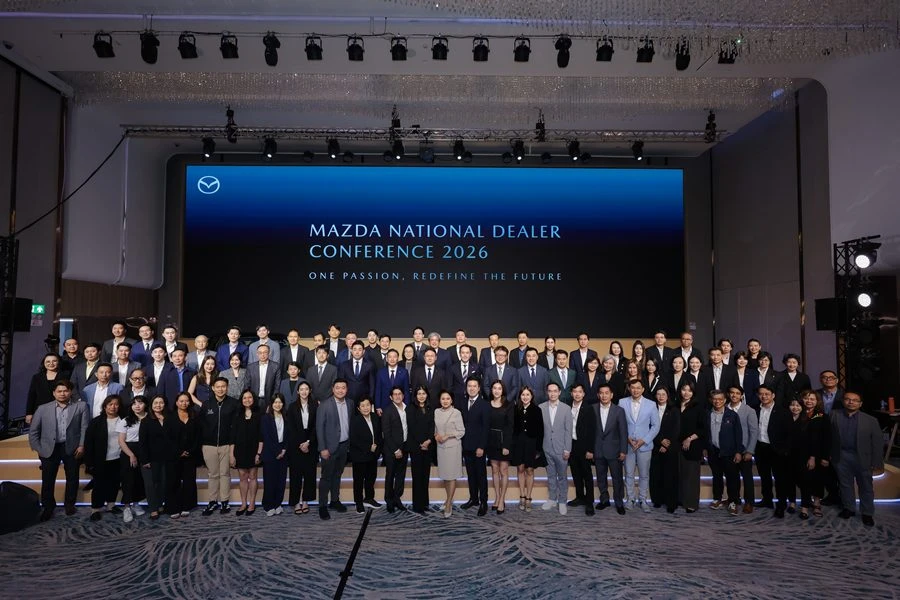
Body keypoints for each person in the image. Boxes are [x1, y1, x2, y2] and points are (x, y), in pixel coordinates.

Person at [28, 380, 89, 521]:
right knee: (48, 480)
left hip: (72, 447)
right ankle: (48, 507)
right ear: (54, 393)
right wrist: (39, 449)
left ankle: (69, 505)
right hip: (49, 448)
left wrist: (81, 445)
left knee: (72, 478)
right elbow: (33, 431)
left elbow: (84, 428)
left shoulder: (81, 406)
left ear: (70, 392)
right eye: (59, 391)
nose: (62, 394)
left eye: (65, 391)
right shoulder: (43, 408)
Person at [831, 391, 881, 526]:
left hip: (862, 457)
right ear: (843, 401)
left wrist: (877, 462)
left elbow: (877, 442)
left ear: (860, 404)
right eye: (848, 399)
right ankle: (849, 508)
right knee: (845, 484)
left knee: (866, 486)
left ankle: (867, 513)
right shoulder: (834, 415)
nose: (851, 402)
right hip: (841, 456)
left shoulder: (871, 420)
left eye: (855, 400)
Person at [199, 377, 240, 516]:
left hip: (226, 445)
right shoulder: (206, 404)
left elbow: (235, 427)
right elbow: (201, 425)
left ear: (227, 388)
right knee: (213, 474)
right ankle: (212, 501)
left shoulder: (234, 404)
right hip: (209, 445)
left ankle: (225, 501)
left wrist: (232, 446)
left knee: (225, 474)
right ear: (213, 388)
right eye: (218, 386)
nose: (220, 389)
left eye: (223, 386)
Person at [619, 379, 660, 512]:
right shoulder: (622, 402)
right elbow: (619, 423)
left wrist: (644, 440)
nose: (635, 390)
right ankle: (630, 499)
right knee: (629, 473)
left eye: (638, 388)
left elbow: (656, 426)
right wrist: (627, 438)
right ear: (629, 389)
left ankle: (643, 499)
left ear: (643, 389)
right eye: (633, 387)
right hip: (628, 445)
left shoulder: (651, 404)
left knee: (644, 474)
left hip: (645, 446)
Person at [316, 379, 354, 519]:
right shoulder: (324, 405)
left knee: (337, 475)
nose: (340, 390)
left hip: (344, 446)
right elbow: (319, 428)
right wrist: (323, 448)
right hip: (329, 448)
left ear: (347, 389)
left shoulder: (350, 403)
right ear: (333, 389)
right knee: (326, 477)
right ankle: (322, 506)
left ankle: (334, 501)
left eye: (343, 388)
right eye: (337, 387)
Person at [754, 384, 793, 517]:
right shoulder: (755, 409)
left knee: (780, 478)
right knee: (764, 477)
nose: (764, 396)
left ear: (773, 395)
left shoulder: (783, 411)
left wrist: (785, 451)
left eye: (767, 394)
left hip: (777, 450)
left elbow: (789, 434)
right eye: (761, 394)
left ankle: (781, 504)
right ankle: (767, 500)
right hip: (760, 448)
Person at [138, 395, 179, 519]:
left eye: (161, 402)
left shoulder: (170, 419)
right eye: (155, 403)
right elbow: (142, 442)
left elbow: (175, 438)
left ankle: (160, 505)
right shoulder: (146, 421)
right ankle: (153, 509)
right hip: (150, 458)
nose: (158, 405)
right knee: (151, 485)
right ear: (151, 405)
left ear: (165, 404)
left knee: (163, 483)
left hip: (167, 458)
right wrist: (145, 460)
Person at [705, 390, 744, 516]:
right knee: (716, 476)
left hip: (729, 452)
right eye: (715, 399)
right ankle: (717, 498)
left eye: (720, 399)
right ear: (711, 400)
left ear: (725, 400)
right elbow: (705, 433)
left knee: (732, 477)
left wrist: (738, 452)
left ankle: (733, 501)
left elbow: (738, 435)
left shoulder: (732, 415)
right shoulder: (707, 414)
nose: (717, 401)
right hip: (713, 451)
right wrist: (705, 448)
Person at [84, 395, 122, 521]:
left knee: (114, 483)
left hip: (118, 458)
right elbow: (89, 442)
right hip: (101, 459)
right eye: (110, 404)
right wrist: (89, 461)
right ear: (105, 406)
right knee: (99, 485)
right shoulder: (96, 422)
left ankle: (111, 505)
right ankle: (95, 509)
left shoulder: (123, 420)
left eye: (116, 404)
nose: (113, 407)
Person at [790, 391, 828, 520]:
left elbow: (827, 437)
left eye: (812, 399)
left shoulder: (822, 416)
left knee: (817, 479)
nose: (809, 401)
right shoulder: (799, 414)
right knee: (804, 480)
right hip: (801, 454)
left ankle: (816, 504)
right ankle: (805, 503)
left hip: (818, 454)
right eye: (806, 398)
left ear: (817, 401)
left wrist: (824, 457)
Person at [592, 383, 628, 515]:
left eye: (606, 393)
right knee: (601, 478)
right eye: (601, 393)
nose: (604, 396)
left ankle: (619, 502)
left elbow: (623, 432)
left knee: (617, 478)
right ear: (598, 395)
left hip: (615, 451)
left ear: (611, 395)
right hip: (598, 450)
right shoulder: (592, 409)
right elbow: (590, 431)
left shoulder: (619, 411)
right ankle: (604, 500)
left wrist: (623, 450)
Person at [540, 382, 573, 514]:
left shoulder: (566, 408)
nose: (552, 393)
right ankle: (552, 499)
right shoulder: (541, 407)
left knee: (562, 477)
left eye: (555, 391)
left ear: (559, 392)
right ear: (547, 392)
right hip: (546, 447)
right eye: (550, 391)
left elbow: (568, 430)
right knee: (551, 475)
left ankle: (562, 501)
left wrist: (567, 449)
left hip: (561, 449)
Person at [459, 376, 490, 516]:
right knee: (470, 475)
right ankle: (473, 498)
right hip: (466, 446)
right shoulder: (462, 403)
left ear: (479, 388)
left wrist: (481, 447)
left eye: (474, 386)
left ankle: (484, 502)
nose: (471, 388)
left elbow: (486, 428)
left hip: (478, 447)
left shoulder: (484, 404)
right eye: (469, 386)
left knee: (481, 476)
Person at [509, 386, 543, 512]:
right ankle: (522, 496)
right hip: (518, 444)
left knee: (529, 470)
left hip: (531, 444)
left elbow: (540, 431)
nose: (525, 397)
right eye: (523, 394)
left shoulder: (537, 410)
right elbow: (512, 429)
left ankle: (529, 497)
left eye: (527, 394)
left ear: (531, 396)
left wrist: (538, 449)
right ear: (520, 396)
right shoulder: (515, 409)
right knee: (520, 468)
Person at [726, 385, 760, 513]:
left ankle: (749, 502)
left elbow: (754, 431)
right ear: (728, 394)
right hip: (729, 451)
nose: (734, 395)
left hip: (745, 450)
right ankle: (734, 500)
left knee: (747, 478)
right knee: (732, 477)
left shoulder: (749, 410)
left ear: (741, 396)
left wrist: (750, 450)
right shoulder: (724, 408)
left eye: (737, 393)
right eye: (732, 393)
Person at [285, 381, 318, 514]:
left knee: (310, 474)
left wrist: (308, 442)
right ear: (298, 392)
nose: (304, 392)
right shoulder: (292, 406)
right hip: (296, 444)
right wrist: (301, 444)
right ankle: (296, 501)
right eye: (301, 389)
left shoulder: (315, 406)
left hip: (311, 443)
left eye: (306, 389)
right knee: (295, 474)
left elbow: (316, 426)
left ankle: (305, 500)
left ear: (310, 391)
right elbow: (290, 427)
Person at [231, 390, 263, 516]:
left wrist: (258, 453)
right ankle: (243, 503)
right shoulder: (237, 415)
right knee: (243, 477)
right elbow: (233, 436)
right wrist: (231, 454)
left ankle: (252, 503)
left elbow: (261, 436)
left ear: (253, 399)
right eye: (244, 398)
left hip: (254, 450)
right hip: (240, 450)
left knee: (253, 476)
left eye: (250, 397)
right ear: (241, 400)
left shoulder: (259, 415)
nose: (247, 400)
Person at [348, 395, 382, 514]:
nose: (366, 408)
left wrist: (377, 449)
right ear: (358, 408)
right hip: (359, 455)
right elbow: (353, 439)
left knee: (371, 478)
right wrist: (368, 448)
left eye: (367, 405)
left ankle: (369, 498)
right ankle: (358, 502)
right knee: (358, 480)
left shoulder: (375, 417)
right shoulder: (355, 420)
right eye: (362, 406)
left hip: (373, 455)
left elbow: (379, 435)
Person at [434, 389, 465, 518]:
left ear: (452, 400)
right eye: (443, 399)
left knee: (451, 476)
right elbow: (435, 429)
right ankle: (448, 499)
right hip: (441, 447)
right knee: (445, 476)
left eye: (448, 399)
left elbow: (462, 431)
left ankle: (448, 504)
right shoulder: (436, 412)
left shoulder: (456, 413)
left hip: (453, 448)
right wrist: (436, 436)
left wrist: (448, 435)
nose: (445, 401)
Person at [117, 395, 148, 522]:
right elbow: (121, 441)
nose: (137, 406)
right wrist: (131, 455)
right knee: (128, 479)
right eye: (134, 403)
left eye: (140, 403)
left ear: (146, 405)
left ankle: (136, 504)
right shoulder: (126, 420)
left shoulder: (150, 418)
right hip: (129, 451)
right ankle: (127, 507)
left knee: (140, 479)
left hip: (145, 450)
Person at [567, 383, 597, 515]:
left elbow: (592, 430)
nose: (577, 394)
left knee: (587, 475)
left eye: (580, 391)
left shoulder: (589, 408)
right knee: (575, 473)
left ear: (584, 394)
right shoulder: (567, 406)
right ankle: (580, 497)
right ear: (571, 393)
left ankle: (589, 502)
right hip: (571, 445)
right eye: (575, 391)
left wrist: (590, 450)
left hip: (584, 446)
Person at [649, 388, 680, 513]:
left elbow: (676, 429)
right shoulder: (651, 409)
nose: (661, 396)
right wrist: (660, 441)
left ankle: (671, 503)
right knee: (656, 474)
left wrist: (666, 444)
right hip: (655, 446)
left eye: (663, 394)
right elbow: (649, 427)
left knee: (670, 476)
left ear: (668, 396)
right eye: (658, 394)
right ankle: (658, 499)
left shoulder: (674, 410)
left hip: (671, 447)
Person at [486, 380, 515, 514]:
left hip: (504, 441)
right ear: (491, 390)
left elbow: (510, 426)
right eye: (494, 388)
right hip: (491, 441)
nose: (496, 391)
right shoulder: (487, 404)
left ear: (503, 390)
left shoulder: (509, 405)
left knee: (503, 470)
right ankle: (497, 497)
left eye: (499, 388)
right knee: (494, 470)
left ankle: (502, 499)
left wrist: (506, 445)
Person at [170, 391, 200, 518]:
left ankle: (187, 506)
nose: (184, 403)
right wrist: (178, 451)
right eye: (181, 401)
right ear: (176, 402)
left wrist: (191, 451)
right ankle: (175, 507)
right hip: (174, 454)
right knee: (174, 481)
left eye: (186, 401)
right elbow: (168, 437)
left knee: (189, 481)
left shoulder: (194, 416)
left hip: (191, 454)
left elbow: (198, 436)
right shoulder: (170, 417)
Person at [676, 381, 705, 513]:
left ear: (693, 392)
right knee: (679, 474)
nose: (686, 393)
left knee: (691, 476)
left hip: (693, 445)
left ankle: (691, 503)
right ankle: (681, 499)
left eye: (689, 390)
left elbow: (703, 428)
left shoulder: (698, 406)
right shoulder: (675, 405)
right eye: (684, 389)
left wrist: (689, 439)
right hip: (677, 445)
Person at [381, 386, 410, 512]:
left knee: (401, 475)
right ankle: (389, 500)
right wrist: (395, 450)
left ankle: (397, 498)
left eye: (400, 394)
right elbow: (386, 433)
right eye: (395, 394)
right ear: (391, 397)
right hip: (391, 449)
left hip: (405, 446)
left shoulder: (408, 409)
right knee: (390, 475)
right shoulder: (387, 411)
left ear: (403, 396)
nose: (397, 396)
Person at [407, 386, 435, 514]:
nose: (421, 396)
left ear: (427, 395)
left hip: (428, 447)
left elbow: (432, 426)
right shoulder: (411, 408)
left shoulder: (430, 408)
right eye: (419, 393)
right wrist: (421, 442)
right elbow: (412, 427)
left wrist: (428, 440)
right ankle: (417, 505)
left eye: (423, 393)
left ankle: (425, 503)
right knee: (417, 477)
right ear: (415, 395)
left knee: (425, 476)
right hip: (416, 447)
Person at [261, 393, 289, 516]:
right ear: (271, 404)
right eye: (275, 402)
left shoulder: (286, 417)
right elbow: (266, 437)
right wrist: (277, 451)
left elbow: (288, 435)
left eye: (280, 402)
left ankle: (278, 503)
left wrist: (284, 450)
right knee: (270, 481)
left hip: (283, 452)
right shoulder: (266, 418)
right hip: (270, 453)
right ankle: (268, 505)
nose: (278, 405)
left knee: (281, 480)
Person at [26, 353, 69, 424]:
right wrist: (29, 413)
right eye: (48, 361)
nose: (51, 363)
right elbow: (32, 395)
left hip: (61, 410)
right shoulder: (37, 377)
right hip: (41, 411)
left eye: (54, 361)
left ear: (58, 362)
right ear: (44, 363)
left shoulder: (66, 375)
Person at [374, 348, 410, 415]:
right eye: (390, 357)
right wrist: (378, 406)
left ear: (397, 358)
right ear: (387, 359)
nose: (392, 359)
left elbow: (406, 390)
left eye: (394, 357)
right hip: (384, 406)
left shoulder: (404, 372)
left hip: (400, 406)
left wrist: (406, 406)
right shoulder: (380, 372)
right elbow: (378, 390)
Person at [248, 344, 281, 410]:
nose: (262, 355)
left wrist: (273, 402)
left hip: (269, 400)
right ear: (257, 354)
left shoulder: (276, 366)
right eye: (260, 353)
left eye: (265, 352)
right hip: (253, 400)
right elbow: (247, 385)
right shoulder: (250, 367)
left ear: (269, 353)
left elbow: (277, 386)